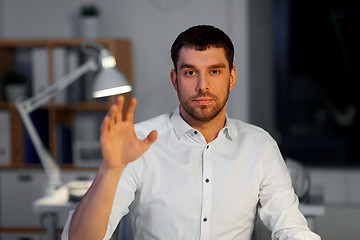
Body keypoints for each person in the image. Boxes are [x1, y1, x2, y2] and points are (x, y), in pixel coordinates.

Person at [62, 25, 321, 240]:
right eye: (190, 73)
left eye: (214, 71)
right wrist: (110, 169)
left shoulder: (259, 146)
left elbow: (291, 229)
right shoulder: (137, 142)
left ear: (231, 77)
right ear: (175, 80)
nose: (203, 86)